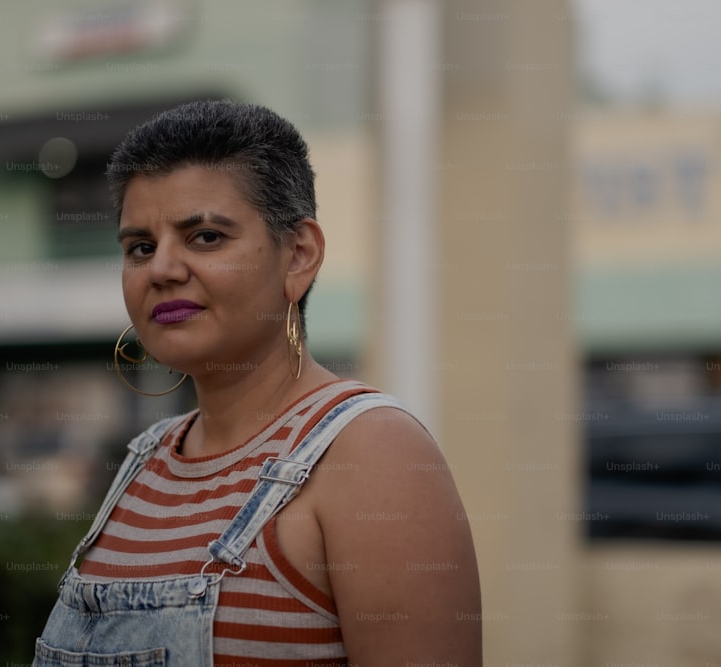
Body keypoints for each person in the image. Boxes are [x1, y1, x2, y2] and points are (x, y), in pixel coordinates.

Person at [33, 99, 482, 667]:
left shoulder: (368, 455)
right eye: (140, 247)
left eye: (205, 237)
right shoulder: (142, 463)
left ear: (298, 255)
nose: (162, 269)